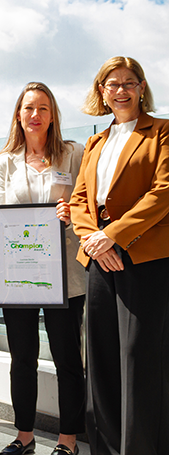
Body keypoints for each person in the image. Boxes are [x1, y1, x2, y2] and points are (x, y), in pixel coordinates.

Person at [69, 57, 169, 455]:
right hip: (98, 258)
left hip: (144, 257)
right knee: (102, 358)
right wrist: (94, 238)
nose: (121, 90)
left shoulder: (162, 132)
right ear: (102, 92)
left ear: (142, 88)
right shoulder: (95, 141)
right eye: (112, 84)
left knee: (139, 358)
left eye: (130, 82)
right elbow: (78, 199)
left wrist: (113, 236)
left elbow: (163, 192)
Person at [0, 83, 86, 455]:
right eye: (28, 107)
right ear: (18, 114)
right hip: (18, 277)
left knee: (67, 359)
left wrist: (72, 213)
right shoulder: (4, 161)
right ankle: (23, 436)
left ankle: (68, 440)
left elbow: (87, 204)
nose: (35, 114)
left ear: (53, 114)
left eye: (43, 107)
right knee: (22, 359)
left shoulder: (74, 154)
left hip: (65, 278)